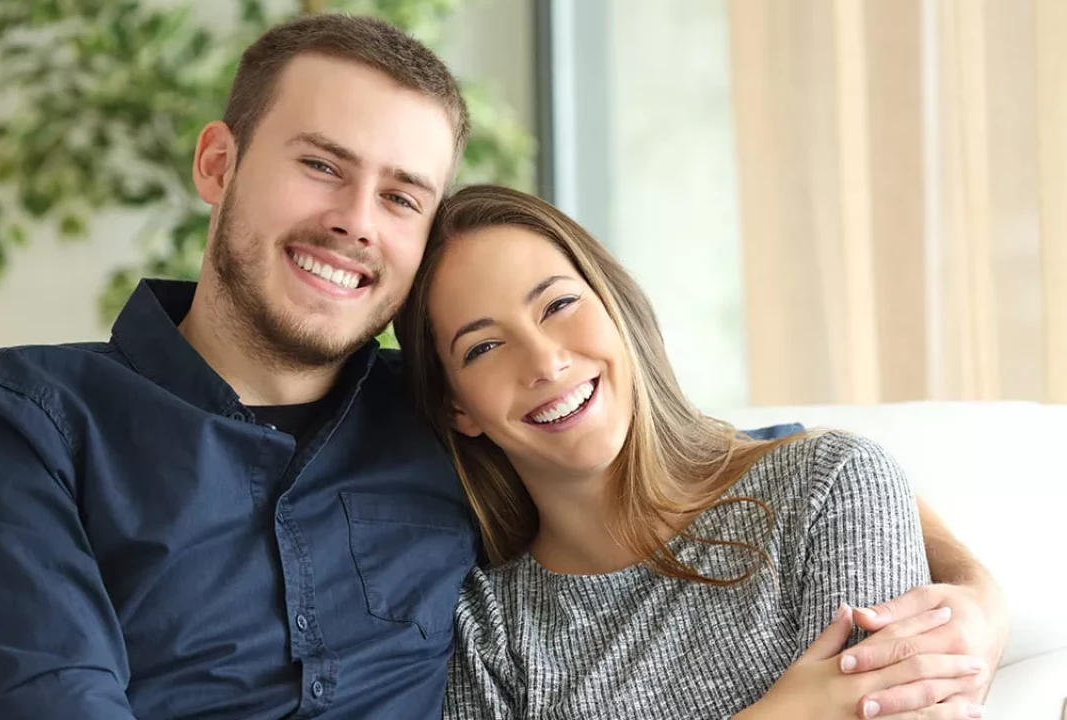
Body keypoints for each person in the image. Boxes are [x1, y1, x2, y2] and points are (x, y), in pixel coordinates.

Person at [0, 13, 1006, 720]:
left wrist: (974, 594)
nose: (353, 223)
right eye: (319, 167)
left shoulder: (447, 415)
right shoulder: (21, 420)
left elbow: (723, 460)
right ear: (217, 162)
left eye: (401, 195)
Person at [394, 184, 999, 720]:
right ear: (457, 407)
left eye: (558, 305)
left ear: (615, 308)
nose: (545, 361)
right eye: (484, 347)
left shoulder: (826, 489)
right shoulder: (488, 637)